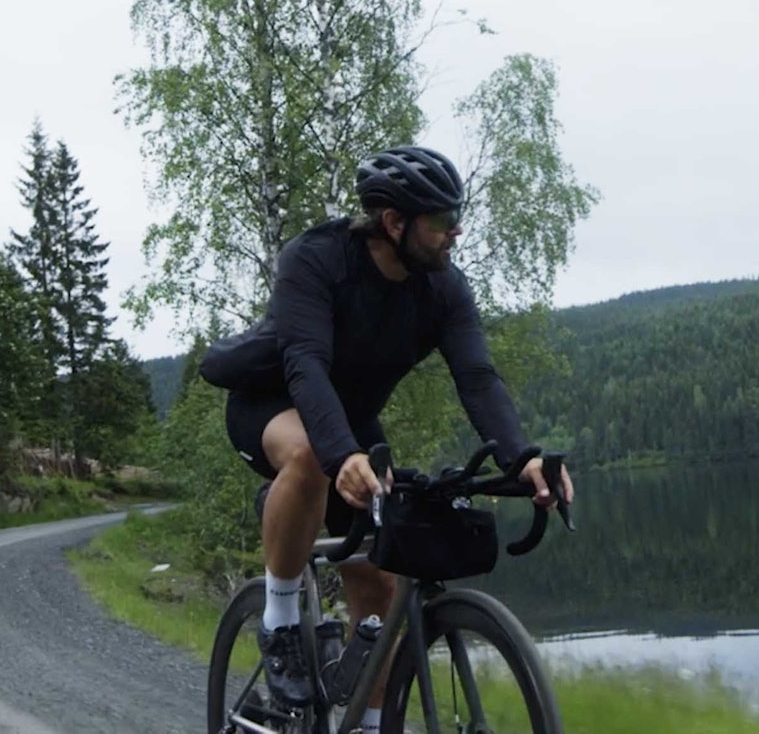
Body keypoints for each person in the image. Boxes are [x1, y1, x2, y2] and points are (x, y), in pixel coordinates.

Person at [200, 146, 574, 727]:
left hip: (349, 421)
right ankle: (278, 622)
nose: (456, 233)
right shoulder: (316, 259)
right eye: (442, 222)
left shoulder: (444, 288)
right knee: (309, 457)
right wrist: (340, 453)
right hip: (274, 402)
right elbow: (305, 363)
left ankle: (370, 726)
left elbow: (476, 377)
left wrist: (521, 458)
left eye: (458, 218)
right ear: (395, 223)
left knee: (380, 580)